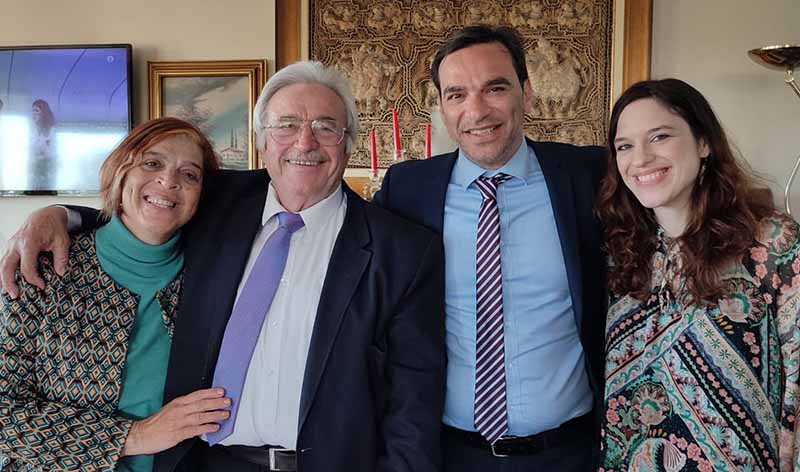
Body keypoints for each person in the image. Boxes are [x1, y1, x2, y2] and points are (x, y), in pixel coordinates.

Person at [1, 61, 446, 472]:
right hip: (205, 463)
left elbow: (413, 406)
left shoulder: (402, 250)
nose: (304, 142)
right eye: (287, 125)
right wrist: (57, 214)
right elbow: (146, 209)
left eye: (325, 127)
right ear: (262, 142)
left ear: (348, 144)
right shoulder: (219, 204)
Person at [373, 25, 606, 470]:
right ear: (442, 107)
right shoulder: (408, 190)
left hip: (569, 454)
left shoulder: (588, 176)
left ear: (527, 94)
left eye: (495, 88)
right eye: (457, 94)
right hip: (447, 454)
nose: (476, 111)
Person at [596, 78, 800, 471]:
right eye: (624, 146)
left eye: (659, 137)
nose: (640, 159)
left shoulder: (772, 242)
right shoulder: (618, 251)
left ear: (703, 142)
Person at [0, 117, 226, 471]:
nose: (169, 181)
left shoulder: (213, 278)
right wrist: (133, 436)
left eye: (189, 175)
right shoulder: (43, 268)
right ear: (120, 173)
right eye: (152, 163)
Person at [29, 98, 57, 190]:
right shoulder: (33, 132)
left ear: (44, 113)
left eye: (36, 111)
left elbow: (52, 154)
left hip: (48, 175)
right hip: (34, 175)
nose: (33, 114)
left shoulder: (52, 131)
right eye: (32, 111)